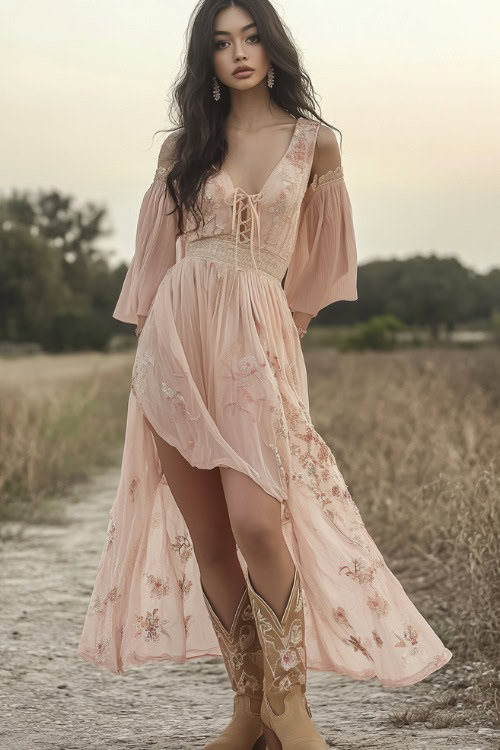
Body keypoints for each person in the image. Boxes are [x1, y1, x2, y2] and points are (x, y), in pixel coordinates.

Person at [77, 1, 453, 748]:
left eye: (250, 36)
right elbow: (154, 275)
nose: (239, 53)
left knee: (258, 521)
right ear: (206, 59)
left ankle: (292, 710)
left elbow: (312, 278)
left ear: (273, 45)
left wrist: (279, 344)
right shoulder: (184, 147)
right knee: (211, 537)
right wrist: (156, 362)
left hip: (256, 348)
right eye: (221, 42)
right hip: (175, 351)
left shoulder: (317, 146)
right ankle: (250, 712)